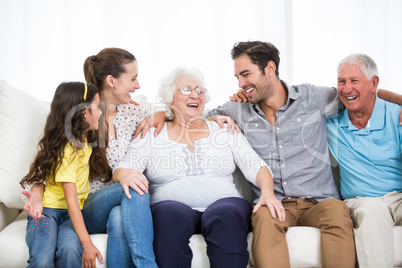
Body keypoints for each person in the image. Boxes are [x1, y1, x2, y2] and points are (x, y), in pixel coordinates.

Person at [113, 67, 283, 268]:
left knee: (226, 212)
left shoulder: (223, 129)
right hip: (171, 206)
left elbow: (256, 166)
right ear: (170, 99)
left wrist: (268, 192)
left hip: (225, 204)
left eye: (199, 90)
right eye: (186, 89)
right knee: (168, 213)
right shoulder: (152, 133)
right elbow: (122, 169)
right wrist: (125, 175)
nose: (195, 94)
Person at [23, 48, 158, 267]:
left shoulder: (134, 112)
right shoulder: (83, 118)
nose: (138, 86)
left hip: (113, 205)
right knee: (135, 184)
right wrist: (37, 192)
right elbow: (48, 166)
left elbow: (182, 114)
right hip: (84, 206)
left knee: (118, 215)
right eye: (133, 79)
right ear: (112, 81)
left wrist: (162, 115)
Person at [20, 82, 109, 268]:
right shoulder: (68, 148)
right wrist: (87, 242)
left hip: (71, 216)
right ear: (84, 112)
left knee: (70, 252)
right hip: (47, 211)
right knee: (42, 260)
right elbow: (71, 200)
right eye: (97, 106)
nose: (100, 112)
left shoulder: (86, 142)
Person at [326, 53, 402, 267]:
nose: (346, 88)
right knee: (373, 210)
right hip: (362, 201)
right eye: (342, 82)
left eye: (354, 81)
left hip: (399, 198)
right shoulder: (331, 122)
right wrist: (224, 114)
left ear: (374, 83)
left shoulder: (397, 115)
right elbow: (287, 101)